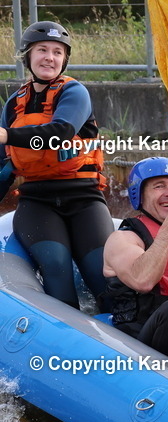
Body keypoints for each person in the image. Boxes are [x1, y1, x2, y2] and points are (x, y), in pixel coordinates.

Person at [0, 21, 112, 311]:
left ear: (64, 59)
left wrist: (8, 135)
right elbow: (5, 166)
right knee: (56, 266)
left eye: (57, 52)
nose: (50, 57)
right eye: (42, 50)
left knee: (102, 274)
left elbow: (60, 133)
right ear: (28, 56)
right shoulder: (13, 105)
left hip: (84, 199)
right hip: (37, 202)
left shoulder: (74, 92)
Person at [103, 157, 168, 360]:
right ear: (139, 195)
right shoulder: (123, 239)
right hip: (137, 344)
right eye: (159, 186)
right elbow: (142, 281)